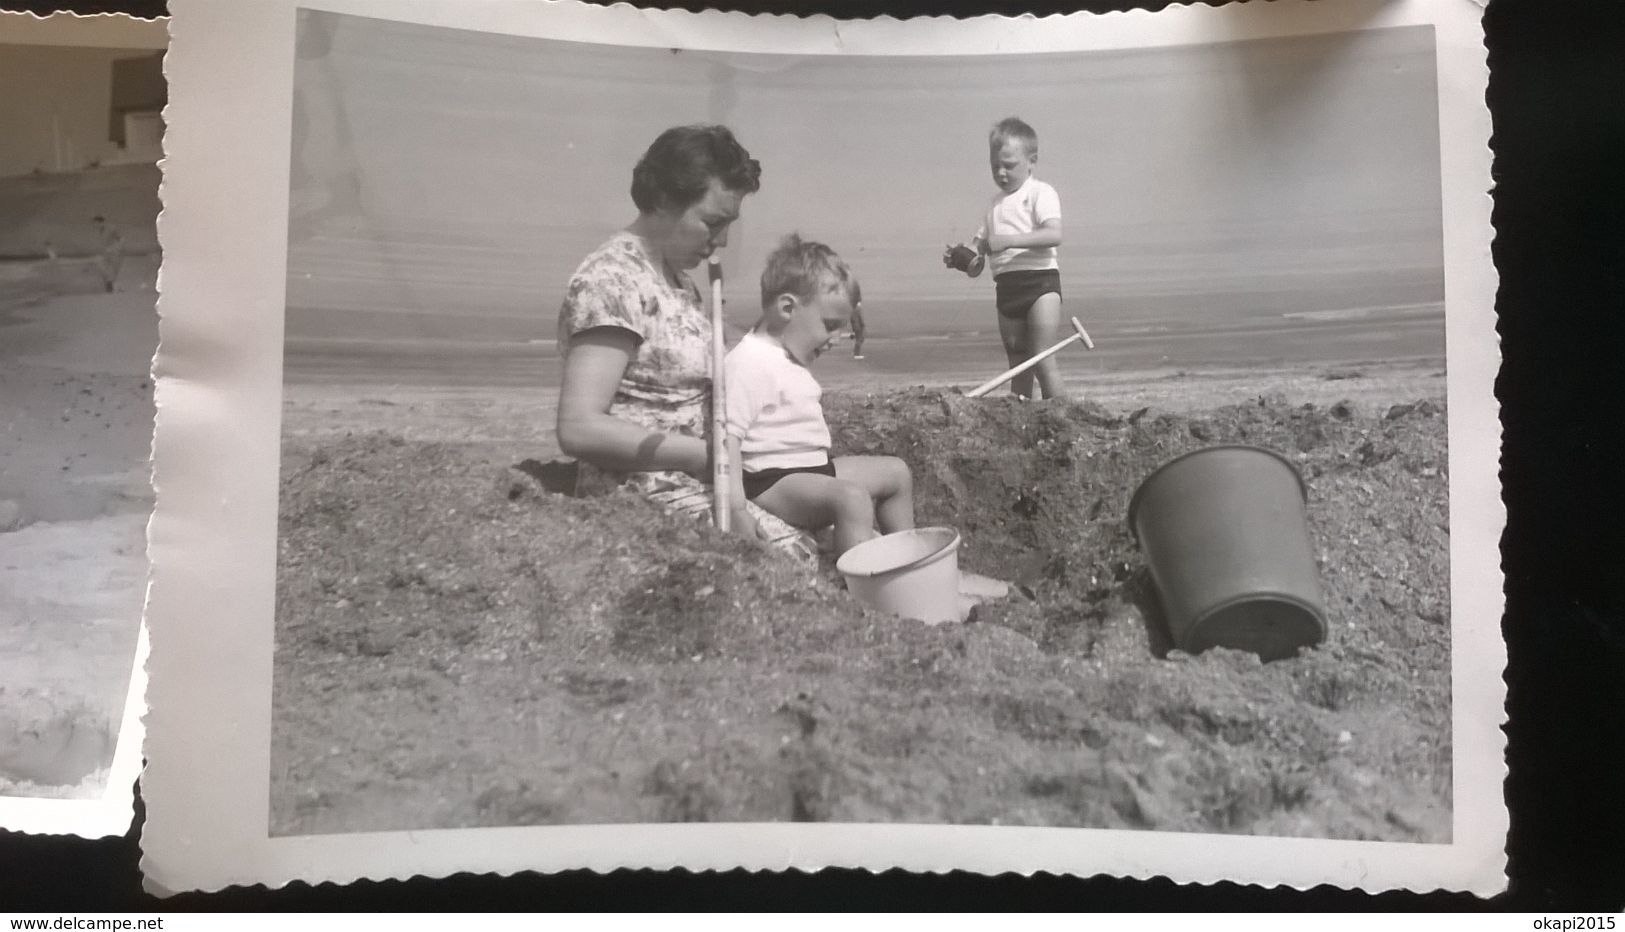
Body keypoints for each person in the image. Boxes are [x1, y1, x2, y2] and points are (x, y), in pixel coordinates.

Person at [554, 124, 815, 560]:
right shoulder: (612, 279)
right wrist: (702, 456)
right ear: (662, 200)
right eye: (712, 223)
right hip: (635, 496)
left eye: (729, 224)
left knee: (818, 543)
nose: (722, 242)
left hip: (699, 481)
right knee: (791, 562)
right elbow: (578, 427)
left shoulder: (681, 283)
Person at [723, 234, 914, 556]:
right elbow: (728, 440)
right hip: (771, 482)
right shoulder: (747, 362)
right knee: (851, 499)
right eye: (829, 325)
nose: (835, 338)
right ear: (787, 308)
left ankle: (910, 559)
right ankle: (862, 589)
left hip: (813, 471)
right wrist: (737, 509)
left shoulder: (789, 355)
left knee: (896, 473)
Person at [943, 117, 1067, 400]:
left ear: (1031, 161)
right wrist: (962, 259)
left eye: (1009, 165)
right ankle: (1022, 421)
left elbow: (1054, 234)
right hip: (1007, 289)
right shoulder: (994, 205)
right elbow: (979, 258)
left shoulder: (1040, 193)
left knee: (1042, 357)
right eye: (994, 165)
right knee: (1018, 364)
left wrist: (1010, 241)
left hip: (1040, 284)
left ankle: (1065, 420)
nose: (1001, 172)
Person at [92, 216, 124, 293]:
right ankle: (109, 285)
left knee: (114, 270)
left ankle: (114, 286)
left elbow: (121, 239)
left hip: (114, 253)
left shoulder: (112, 229)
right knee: (104, 268)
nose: (95, 226)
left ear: (102, 222)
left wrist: (115, 248)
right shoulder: (98, 231)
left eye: (97, 224)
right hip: (104, 254)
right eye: (94, 224)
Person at [849, 280, 867, 360]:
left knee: (859, 338)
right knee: (860, 338)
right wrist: (863, 324)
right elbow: (860, 318)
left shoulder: (853, 308)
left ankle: (855, 352)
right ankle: (856, 354)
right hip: (858, 326)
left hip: (856, 325)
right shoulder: (857, 308)